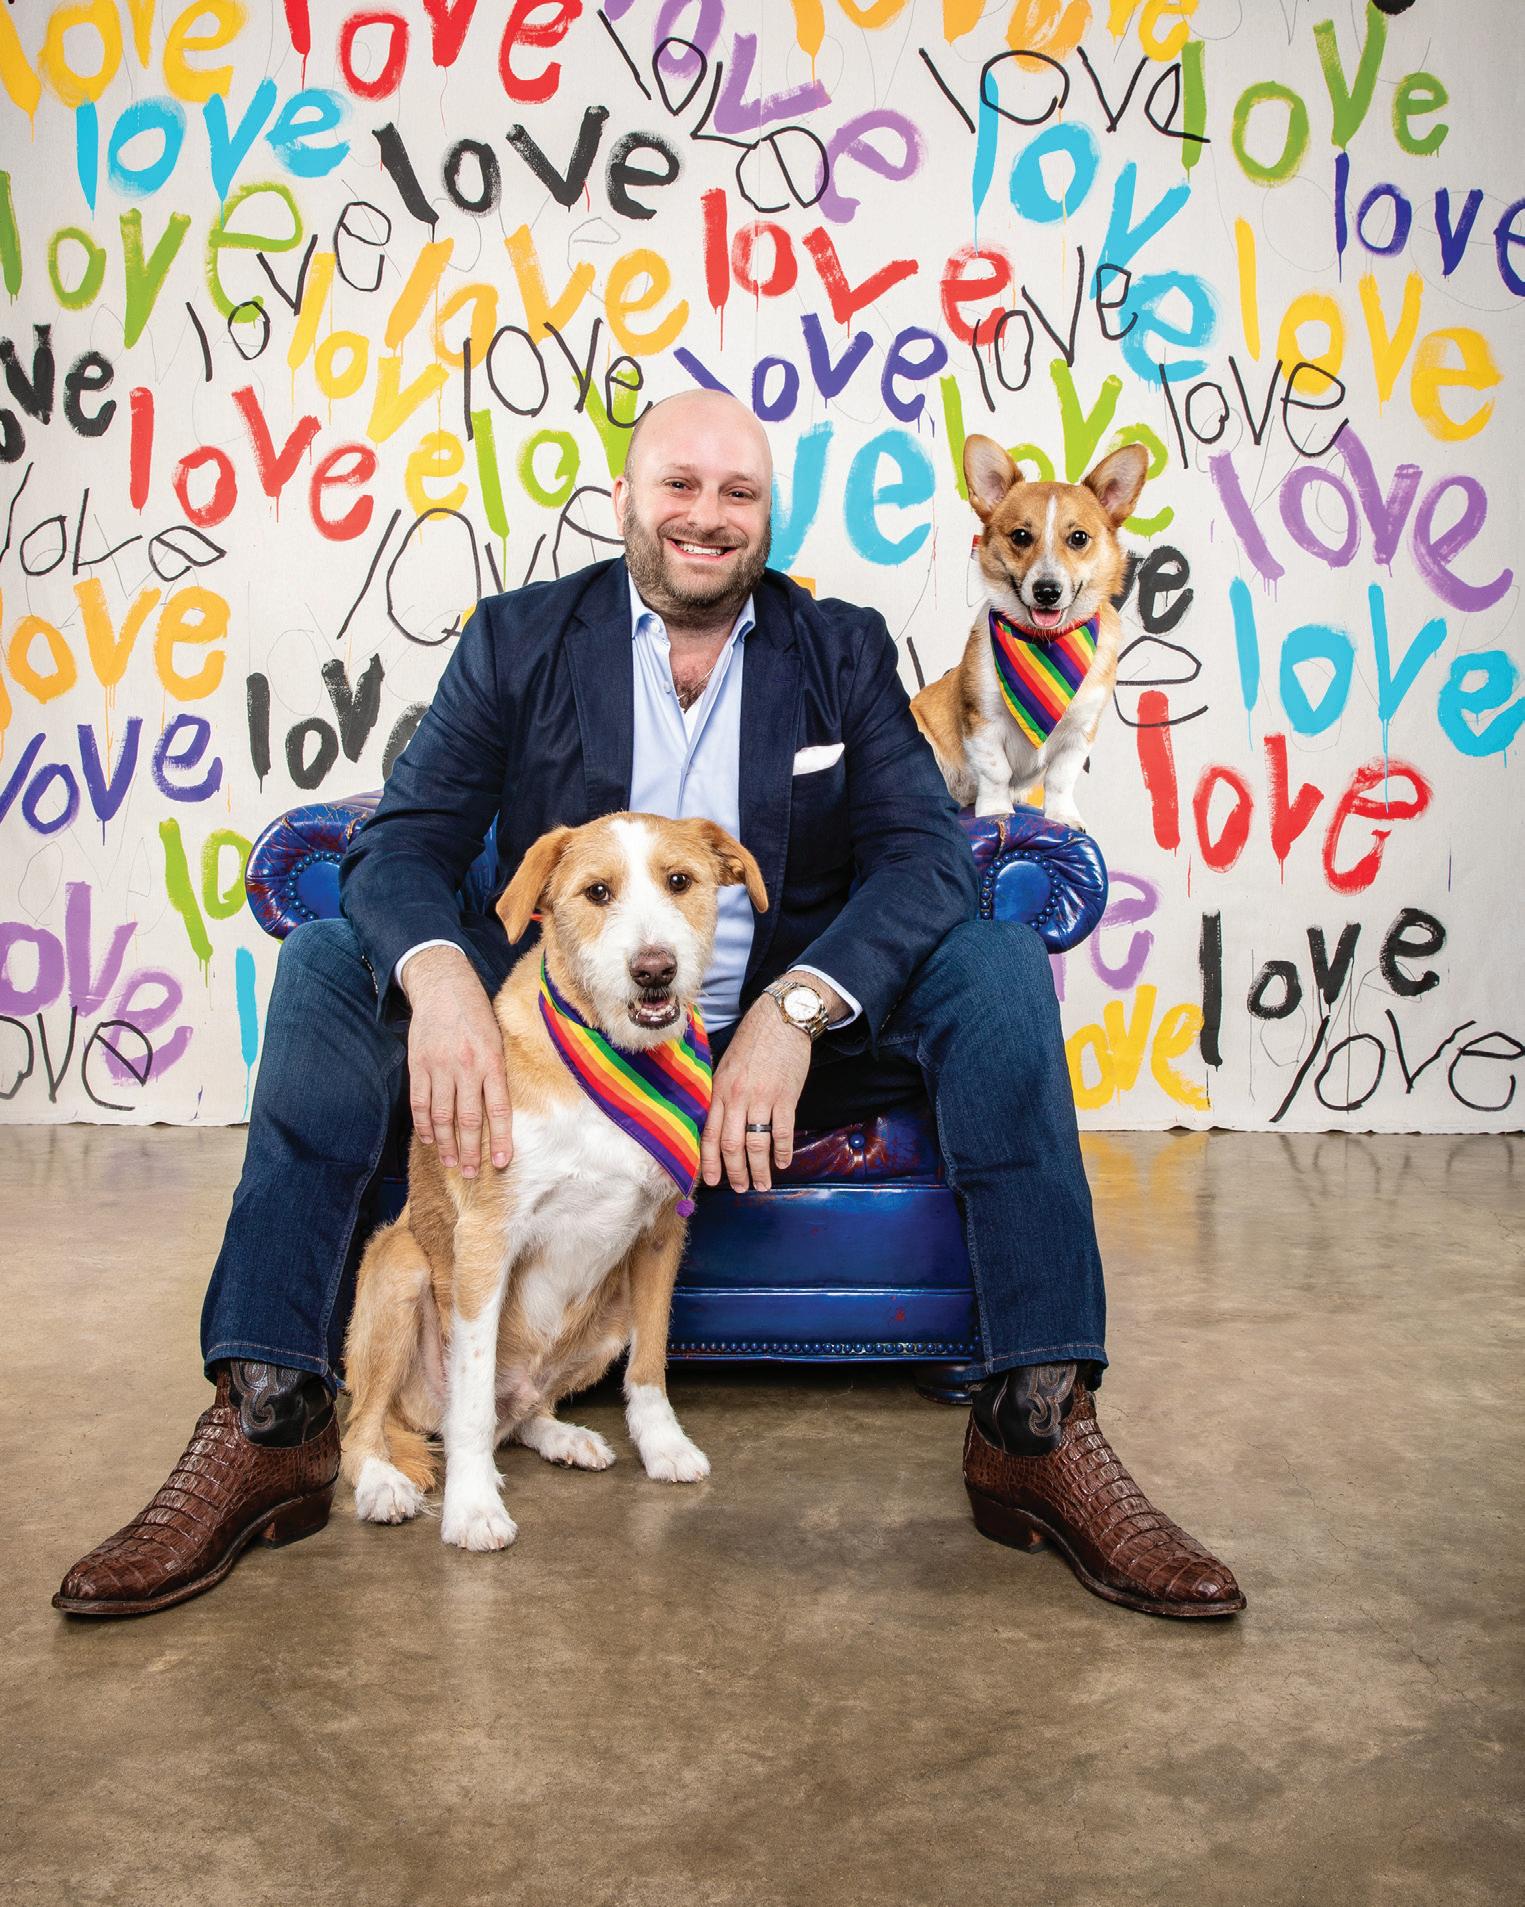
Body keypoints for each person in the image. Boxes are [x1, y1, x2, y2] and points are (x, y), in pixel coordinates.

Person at [55, 391, 1243, 1622]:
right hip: (558, 1048)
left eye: (738, 493)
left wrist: (794, 1009)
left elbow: (922, 858)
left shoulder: (838, 647)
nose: (707, 515)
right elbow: (405, 840)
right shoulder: (520, 637)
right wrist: (444, 978)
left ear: (768, 515)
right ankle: (269, 1412)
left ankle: (1036, 1423)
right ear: (625, 497)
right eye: (679, 484)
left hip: (770, 1049)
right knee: (323, 963)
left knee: (995, 962)